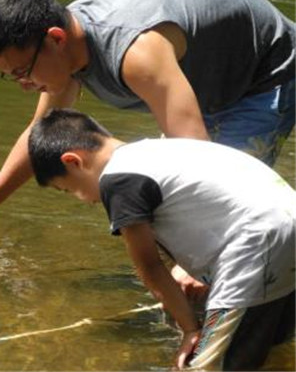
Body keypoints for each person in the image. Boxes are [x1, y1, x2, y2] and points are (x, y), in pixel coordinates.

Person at [0, 0, 295, 298]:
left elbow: (197, 164)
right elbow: (40, 137)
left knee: (230, 216)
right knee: (161, 206)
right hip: (202, 80)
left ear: (55, 39)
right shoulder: (64, 50)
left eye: (24, 72)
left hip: (263, 74)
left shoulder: (136, 54)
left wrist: (196, 261)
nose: (24, 86)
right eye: (12, 76)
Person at [27, 108, 295, 370]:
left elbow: (150, 268)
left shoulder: (117, 180)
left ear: (73, 161)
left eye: (68, 189)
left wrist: (190, 329)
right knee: (267, 343)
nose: (82, 199)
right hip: (286, 219)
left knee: (206, 364)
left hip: (255, 243)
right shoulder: (156, 150)